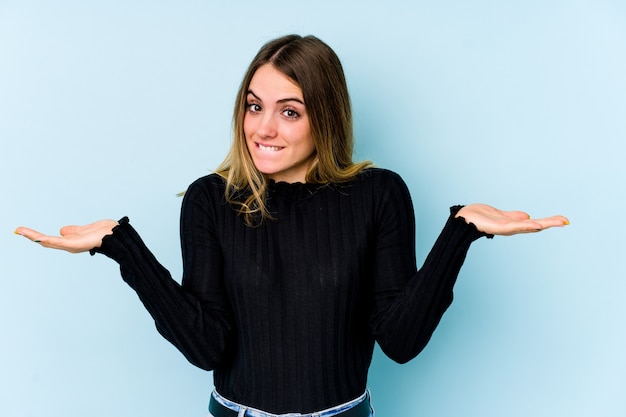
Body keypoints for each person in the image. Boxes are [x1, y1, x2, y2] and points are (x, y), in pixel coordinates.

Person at [14, 34, 569, 417]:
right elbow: (207, 346)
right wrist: (121, 247)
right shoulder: (211, 200)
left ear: (323, 117)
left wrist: (461, 234)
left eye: (289, 110)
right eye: (254, 106)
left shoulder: (379, 195)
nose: (264, 128)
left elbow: (399, 341)